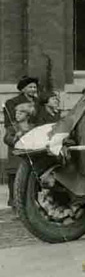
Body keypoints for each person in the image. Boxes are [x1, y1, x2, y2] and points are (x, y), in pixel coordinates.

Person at [3, 76, 39, 207]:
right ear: (23, 89)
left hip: (32, 136)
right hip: (17, 135)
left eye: (35, 87)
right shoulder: (12, 102)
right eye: (30, 87)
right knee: (15, 172)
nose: (33, 89)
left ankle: (32, 202)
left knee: (32, 173)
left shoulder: (38, 102)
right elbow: (10, 123)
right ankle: (14, 201)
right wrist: (16, 134)